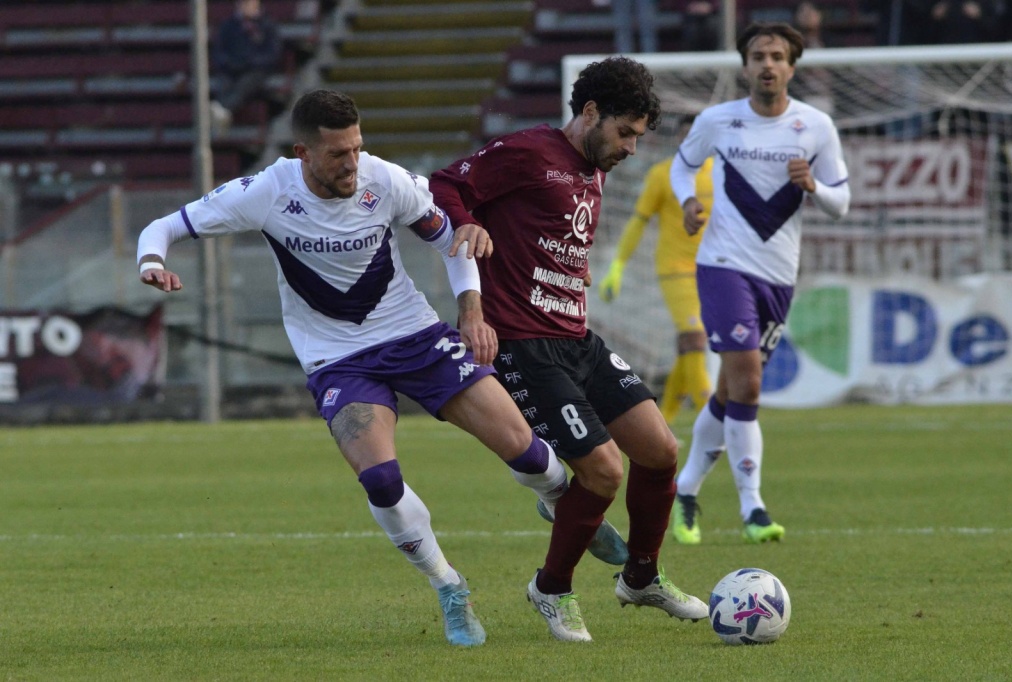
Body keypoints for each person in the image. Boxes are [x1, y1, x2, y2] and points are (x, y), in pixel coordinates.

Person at [135, 89, 628, 648]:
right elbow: (163, 227)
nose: (352, 163)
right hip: (337, 357)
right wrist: (152, 262)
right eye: (337, 154)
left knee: (524, 446)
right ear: (303, 153)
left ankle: (557, 498)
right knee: (380, 479)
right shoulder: (266, 191)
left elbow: (455, 238)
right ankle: (448, 585)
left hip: (413, 334)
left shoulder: (385, 179)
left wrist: (471, 310)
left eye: (357, 148)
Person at [430, 56, 709, 643]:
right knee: (604, 471)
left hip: (577, 337)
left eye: (639, 135)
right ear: (590, 113)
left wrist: (564, 271)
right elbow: (445, 183)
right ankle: (551, 589)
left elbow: (546, 232)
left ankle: (641, 576)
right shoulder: (529, 152)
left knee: (660, 451)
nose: (632, 147)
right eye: (625, 132)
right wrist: (464, 226)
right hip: (525, 346)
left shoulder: (593, 166)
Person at [668, 22, 850, 545]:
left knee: (730, 389)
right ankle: (753, 509)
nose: (767, 64)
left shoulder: (815, 126)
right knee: (748, 382)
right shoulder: (718, 121)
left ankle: (684, 491)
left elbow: (842, 203)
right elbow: (682, 167)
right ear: (744, 66)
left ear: (792, 66)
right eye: (758, 55)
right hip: (723, 266)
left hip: (778, 276)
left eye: (777, 56)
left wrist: (814, 185)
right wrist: (687, 201)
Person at [598, 151, 713, 425]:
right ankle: (711, 418)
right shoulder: (664, 174)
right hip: (675, 270)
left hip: (712, 269)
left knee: (689, 345)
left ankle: (665, 420)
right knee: (695, 337)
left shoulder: (719, 172)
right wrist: (617, 266)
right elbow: (639, 220)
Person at [210, 0, 282, 134]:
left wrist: (251, 62)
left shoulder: (267, 25)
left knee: (247, 81)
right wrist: (230, 63)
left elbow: (273, 53)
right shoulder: (228, 26)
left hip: (257, 69)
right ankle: (221, 117)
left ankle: (223, 109)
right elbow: (219, 51)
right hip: (232, 68)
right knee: (224, 81)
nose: (245, 7)